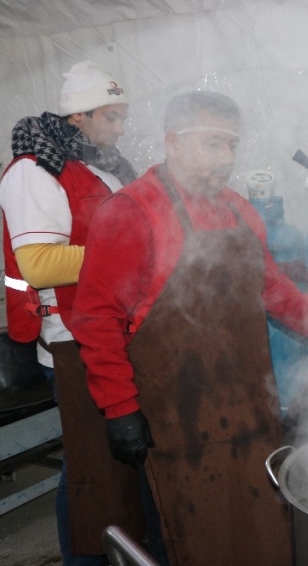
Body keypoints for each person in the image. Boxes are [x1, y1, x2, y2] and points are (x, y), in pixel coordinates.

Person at [70, 90, 308, 565]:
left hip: (250, 411)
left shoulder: (238, 208)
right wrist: (119, 409)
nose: (228, 158)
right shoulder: (130, 212)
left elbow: (274, 291)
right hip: (177, 421)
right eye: (214, 144)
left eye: (232, 145)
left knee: (264, 534)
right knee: (196, 539)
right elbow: (96, 320)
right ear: (174, 143)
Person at [0, 60, 166, 565]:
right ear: (79, 117)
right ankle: (85, 558)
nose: (120, 129)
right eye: (111, 118)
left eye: (123, 117)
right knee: (89, 469)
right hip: (71, 338)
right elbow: (39, 262)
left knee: (122, 465)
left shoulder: (102, 166)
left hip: (117, 330)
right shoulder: (34, 171)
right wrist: (134, 256)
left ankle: (135, 551)